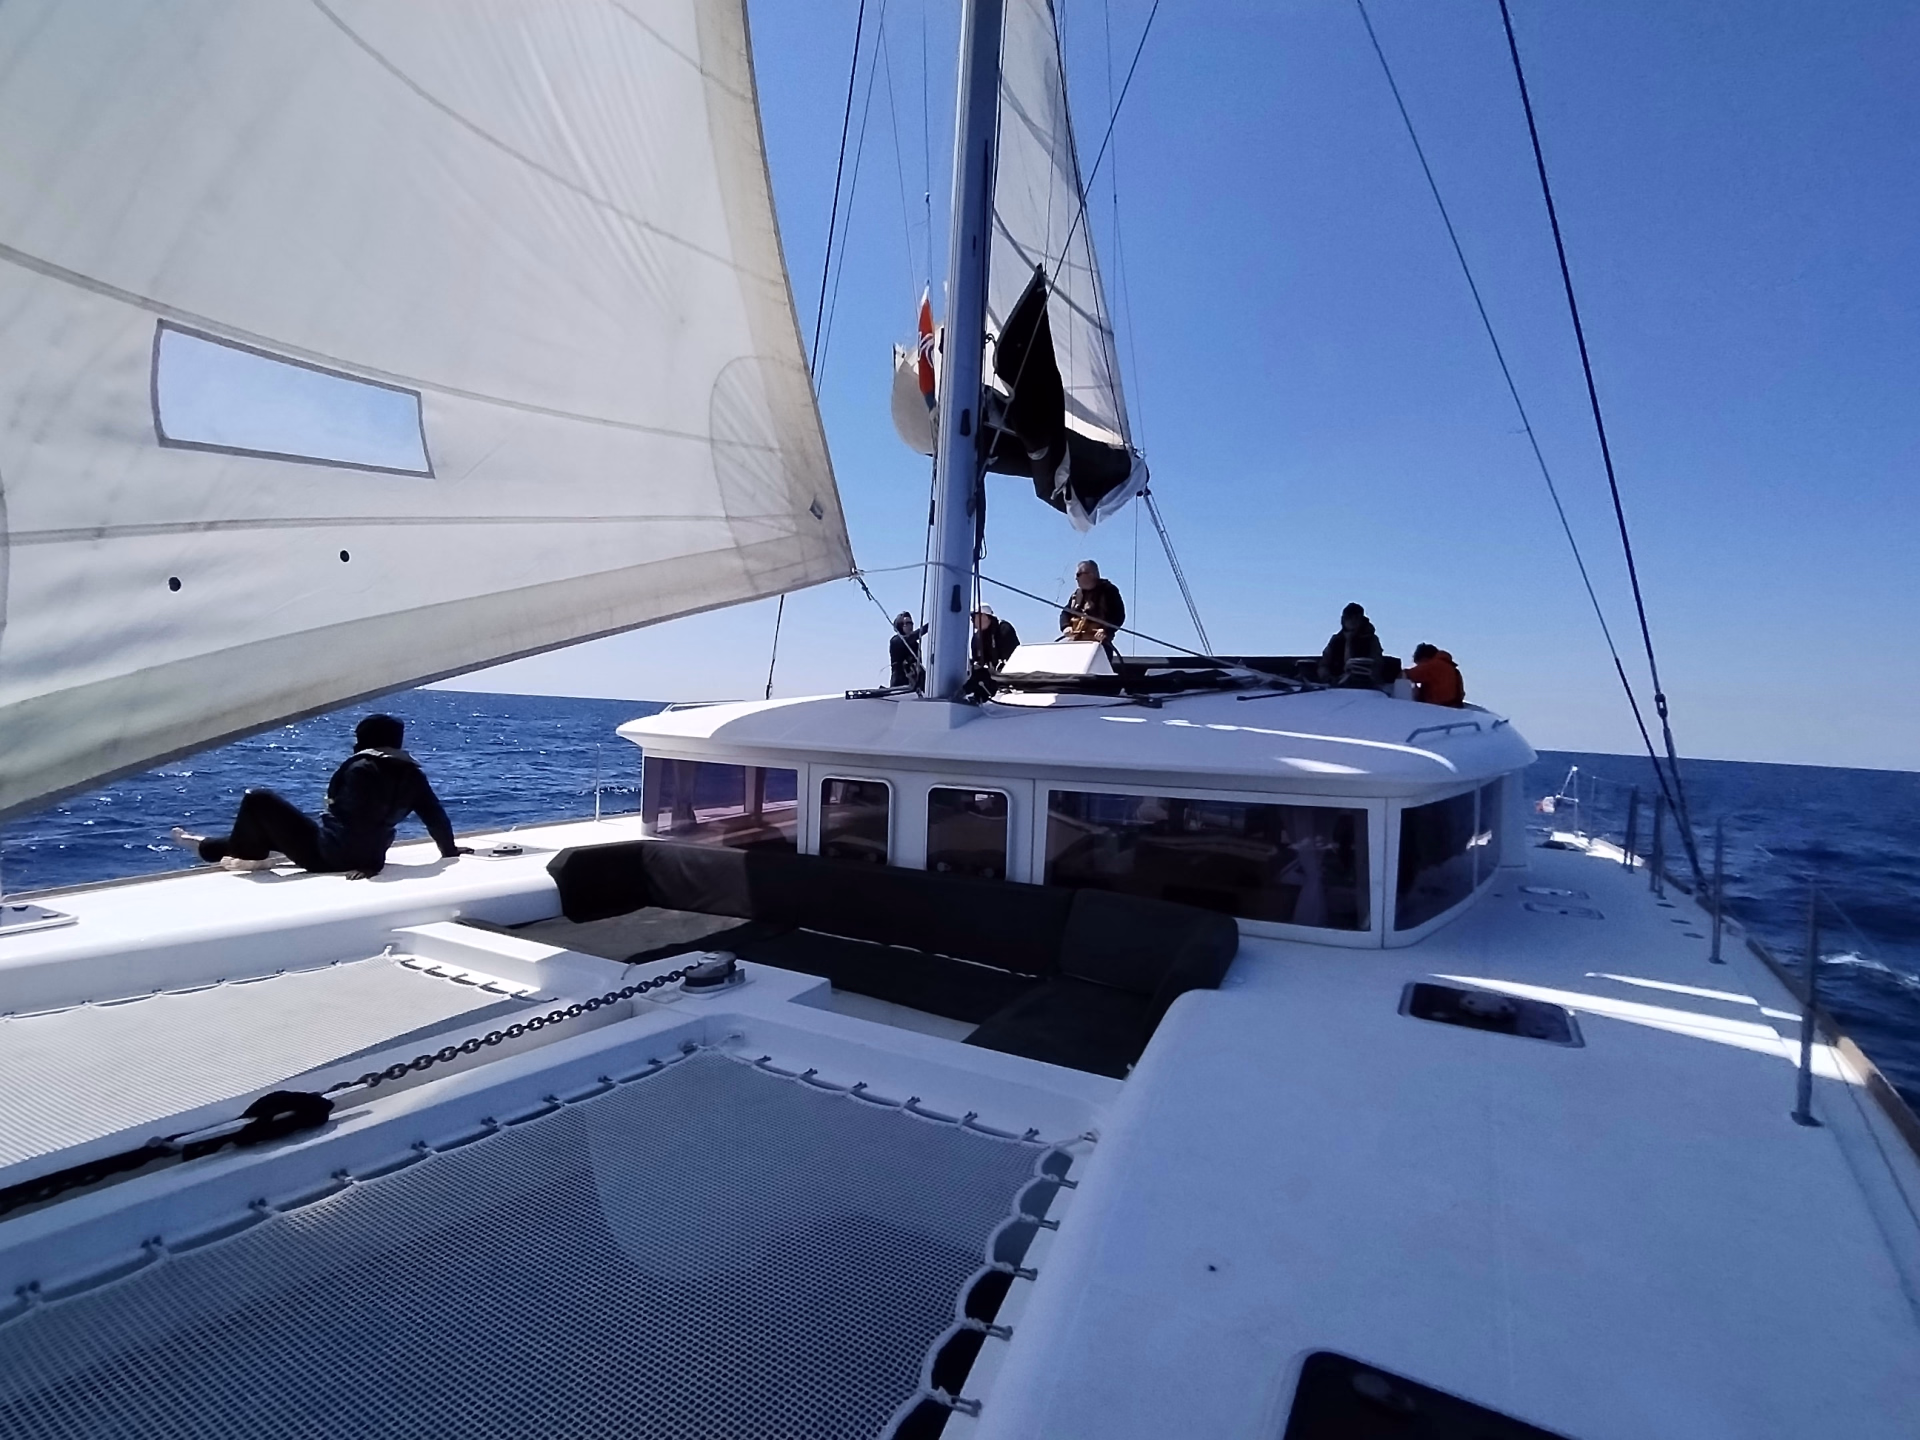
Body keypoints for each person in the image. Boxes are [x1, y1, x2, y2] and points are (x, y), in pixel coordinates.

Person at [173, 714, 466, 876]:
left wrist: (370, 866)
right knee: (278, 829)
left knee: (258, 799)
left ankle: (249, 855)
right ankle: (206, 847)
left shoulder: (362, 770)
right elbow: (435, 816)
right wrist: (450, 852)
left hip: (330, 856)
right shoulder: (412, 774)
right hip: (358, 850)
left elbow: (361, 823)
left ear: (364, 740)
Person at [962, 604, 1022, 701]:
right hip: (988, 678)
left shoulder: (1003, 629)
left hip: (1007, 678)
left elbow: (1013, 658)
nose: (972, 621)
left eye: (975, 616)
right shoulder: (977, 639)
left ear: (984, 616)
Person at [1059, 560, 1125, 643]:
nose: (1076, 578)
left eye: (1079, 574)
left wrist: (1106, 630)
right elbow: (1065, 612)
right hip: (1075, 642)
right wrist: (1065, 626)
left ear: (1091, 574)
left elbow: (1118, 616)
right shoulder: (1077, 595)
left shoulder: (1109, 591)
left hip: (1099, 643)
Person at [1318, 602, 1382, 685]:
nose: (1352, 621)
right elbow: (1324, 663)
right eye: (1349, 618)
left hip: (1363, 684)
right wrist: (1327, 677)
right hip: (1336, 685)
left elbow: (1377, 664)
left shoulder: (1370, 640)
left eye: (1356, 618)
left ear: (1361, 620)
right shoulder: (1336, 640)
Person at [1405, 642, 1466, 707]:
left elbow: (1410, 674)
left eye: (1419, 664)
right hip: (1452, 708)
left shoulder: (1433, 666)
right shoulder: (1450, 667)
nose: (1419, 666)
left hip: (1439, 710)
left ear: (1425, 658)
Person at [889, 611, 928, 688]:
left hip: (915, 686)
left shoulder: (915, 645)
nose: (909, 626)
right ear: (900, 626)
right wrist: (931, 625)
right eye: (906, 623)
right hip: (899, 687)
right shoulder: (895, 641)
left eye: (911, 623)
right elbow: (910, 638)